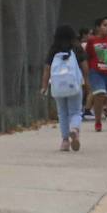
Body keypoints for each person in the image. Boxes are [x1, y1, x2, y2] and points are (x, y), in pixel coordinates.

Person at [41, 24, 86, 152]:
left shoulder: (53, 49)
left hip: (58, 87)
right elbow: (85, 66)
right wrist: (87, 82)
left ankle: (65, 141)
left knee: (62, 113)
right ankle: (74, 129)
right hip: (75, 86)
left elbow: (47, 69)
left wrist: (44, 86)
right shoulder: (77, 48)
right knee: (76, 112)